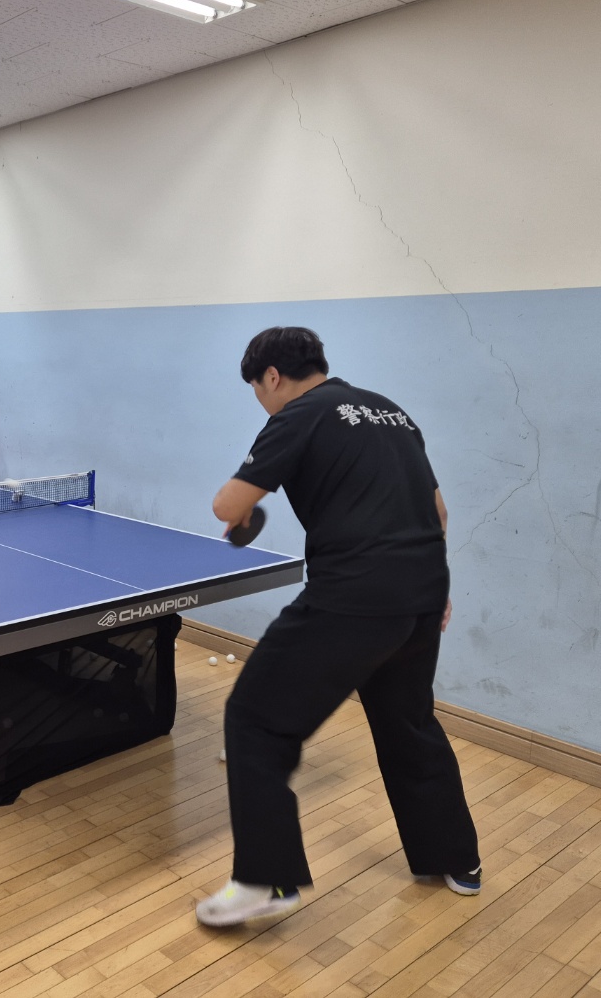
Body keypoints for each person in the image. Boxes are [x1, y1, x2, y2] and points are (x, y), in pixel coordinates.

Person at [196, 326, 481, 928]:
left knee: (255, 718)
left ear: (272, 376)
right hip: (421, 595)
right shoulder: (392, 412)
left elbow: (226, 506)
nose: (261, 402)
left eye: (257, 389)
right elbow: (438, 511)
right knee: (408, 722)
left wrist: (243, 508)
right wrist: (430, 587)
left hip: (353, 597)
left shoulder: (298, 415)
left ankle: (265, 880)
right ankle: (456, 858)